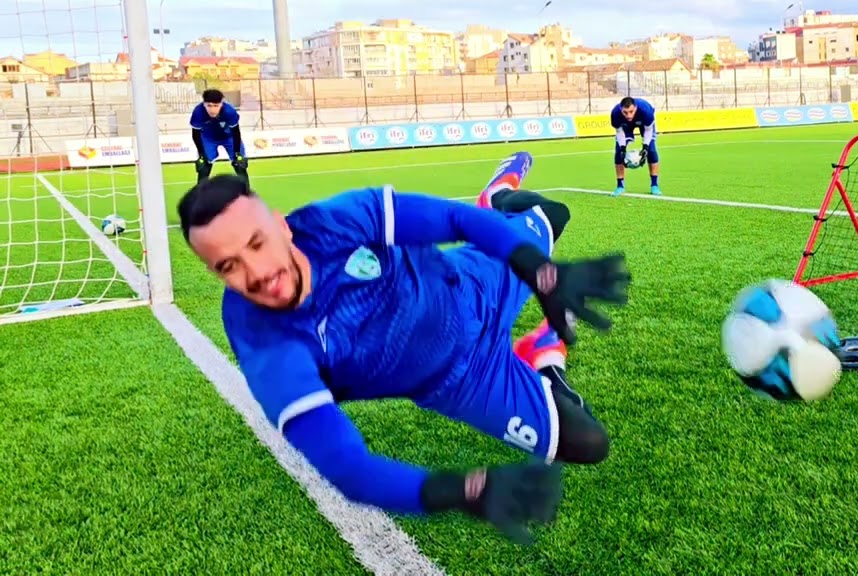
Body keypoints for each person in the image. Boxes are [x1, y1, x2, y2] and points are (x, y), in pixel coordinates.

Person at [175, 151, 630, 544]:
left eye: (257, 243)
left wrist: (541, 272)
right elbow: (348, 468)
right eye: (228, 266)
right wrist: (463, 491)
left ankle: (498, 197)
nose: (256, 273)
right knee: (588, 443)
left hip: (474, 277)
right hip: (462, 381)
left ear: (282, 226)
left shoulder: (337, 221)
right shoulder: (267, 342)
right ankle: (539, 360)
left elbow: (453, 220)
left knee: (556, 213)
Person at [190, 88, 249, 187]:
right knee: (203, 166)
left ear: (221, 104)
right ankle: (199, 196)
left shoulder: (229, 111)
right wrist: (201, 155)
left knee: (240, 164)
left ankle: (246, 194)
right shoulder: (198, 112)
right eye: (209, 105)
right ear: (204, 104)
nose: (212, 109)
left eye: (216, 105)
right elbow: (195, 134)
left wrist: (237, 153)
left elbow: (236, 133)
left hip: (229, 137)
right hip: (208, 138)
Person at [610, 96, 661, 196]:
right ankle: (620, 186)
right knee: (618, 153)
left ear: (636, 108)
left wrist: (645, 147)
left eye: (631, 111)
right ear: (621, 109)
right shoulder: (615, 114)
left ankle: (654, 185)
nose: (629, 115)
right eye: (625, 112)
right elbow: (619, 133)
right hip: (626, 126)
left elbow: (648, 130)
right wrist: (623, 149)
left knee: (651, 150)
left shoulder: (646, 110)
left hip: (645, 126)